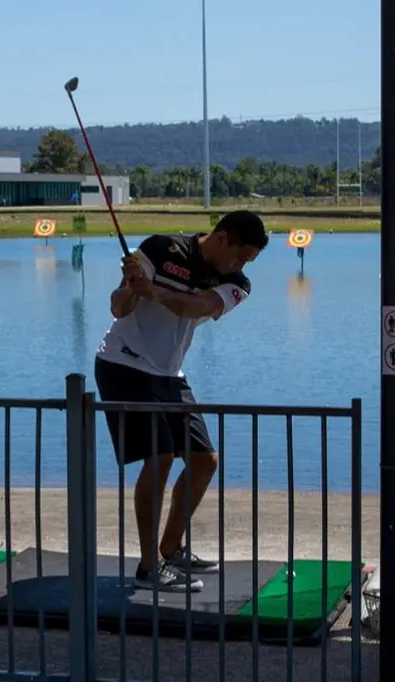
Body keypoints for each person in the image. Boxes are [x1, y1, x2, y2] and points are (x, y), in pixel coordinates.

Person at [93, 211, 268, 592]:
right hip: (123, 364)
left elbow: (197, 307)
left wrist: (155, 291)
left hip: (169, 374)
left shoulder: (237, 283)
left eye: (248, 261)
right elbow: (118, 307)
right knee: (160, 457)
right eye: (240, 256)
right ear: (222, 238)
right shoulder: (161, 248)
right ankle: (148, 567)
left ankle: (170, 549)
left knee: (205, 461)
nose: (241, 266)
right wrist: (133, 286)